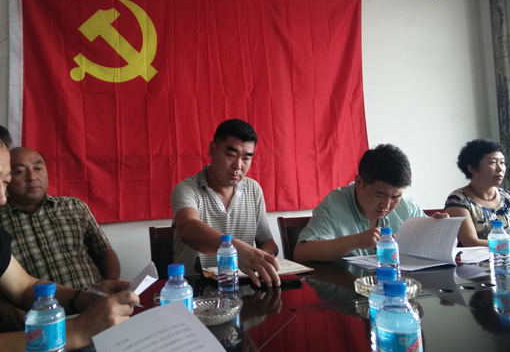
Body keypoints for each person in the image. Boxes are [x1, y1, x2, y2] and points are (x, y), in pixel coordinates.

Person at [0, 114, 139, 350]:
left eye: (5, 183)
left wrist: (85, 298)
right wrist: (77, 330)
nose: (1, 198)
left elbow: (24, 287)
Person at [171, 118, 280, 288]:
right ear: (212, 149)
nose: (238, 166)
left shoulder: (253, 189)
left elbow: (267, 241)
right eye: (231, 155)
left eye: (246, 158)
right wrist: (239, 251)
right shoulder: (187, 189)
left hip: (242, 288)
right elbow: (188, 228)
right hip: (195, 289)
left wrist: (261, 256)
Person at [293, 144, 447, 262]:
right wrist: (356, 241)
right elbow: (301, 253)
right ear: (359, 183)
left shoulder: (406, 206)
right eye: (380, 194)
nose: (386, 205)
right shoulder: (335, 203)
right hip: (348, 289)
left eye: (395, 196)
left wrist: (442, 231)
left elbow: (444, 248)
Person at [0, 146, 120, 289]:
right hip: (39, 302)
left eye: (38, 168)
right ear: (5, 178)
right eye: (20, 171)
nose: (32, 177)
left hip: (94, 295)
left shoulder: (74, 206)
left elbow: (104, 252)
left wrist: (111, 284)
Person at [444, 138, 510, 246]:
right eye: (492, 163)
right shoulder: (458, 200)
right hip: (476, 257)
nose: (500, 168)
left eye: (502, 162)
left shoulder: (507, 197)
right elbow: (471, 242)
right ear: (472, 168)